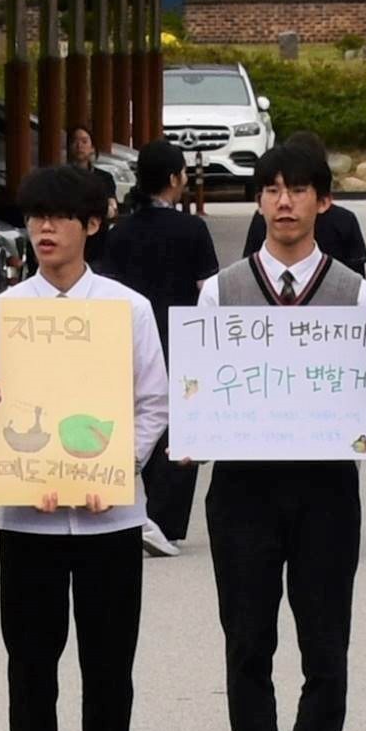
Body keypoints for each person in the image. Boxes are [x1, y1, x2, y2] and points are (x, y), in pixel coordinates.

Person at [0, 159, 175, 731]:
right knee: (30, 661)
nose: (44, 229)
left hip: (110, 518)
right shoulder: (4, 312)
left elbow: (153, 403)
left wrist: (117, 468)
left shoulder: (127, 309)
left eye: (60, 217)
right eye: (35, 217)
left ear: (92, 225)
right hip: (27, 518)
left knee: (109, 660)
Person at [205, 140, 366, 731]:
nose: (284, 202)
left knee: (324, 638)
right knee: (247, 635)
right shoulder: (222, 289)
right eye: (271, 189)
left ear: (323, 201)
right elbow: (200, 384)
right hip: (243, 483)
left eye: (298, 189)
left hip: (326, 482)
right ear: (259, 201)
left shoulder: (355, 292)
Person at [96, 140, 223, 555]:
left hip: (128, 337)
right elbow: (207, 289)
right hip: (180, 338)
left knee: (135, 419)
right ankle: (164, 522)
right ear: (173, 178)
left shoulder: (120, 231)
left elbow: (107, 289)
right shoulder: (192, 229)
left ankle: (135, 510)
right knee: (178, 427)